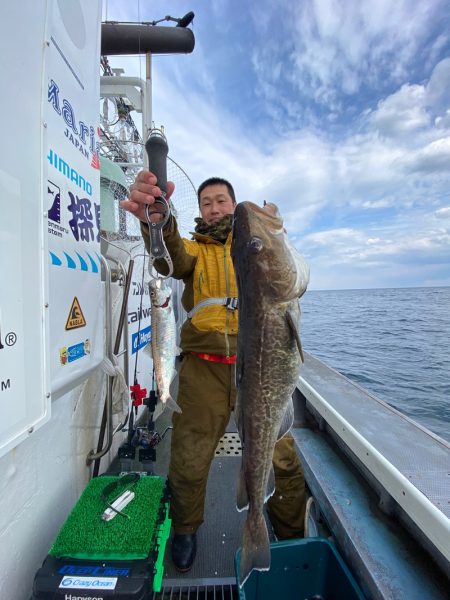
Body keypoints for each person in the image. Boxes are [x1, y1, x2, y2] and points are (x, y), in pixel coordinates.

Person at [121, 171, 306, 572]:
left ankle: (292, 534)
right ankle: (186, 528)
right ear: (200, 211)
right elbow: (168, 254)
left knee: (283, 459)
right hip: (203, 370)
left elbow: (295, 279)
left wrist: (275, 236)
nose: (215, 207)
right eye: (207, 203)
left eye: (222, 200)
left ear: (233, 205)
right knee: (188, 458)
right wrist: (157, 220)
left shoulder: (256, 249)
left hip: (257, 369)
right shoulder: (193, 251)